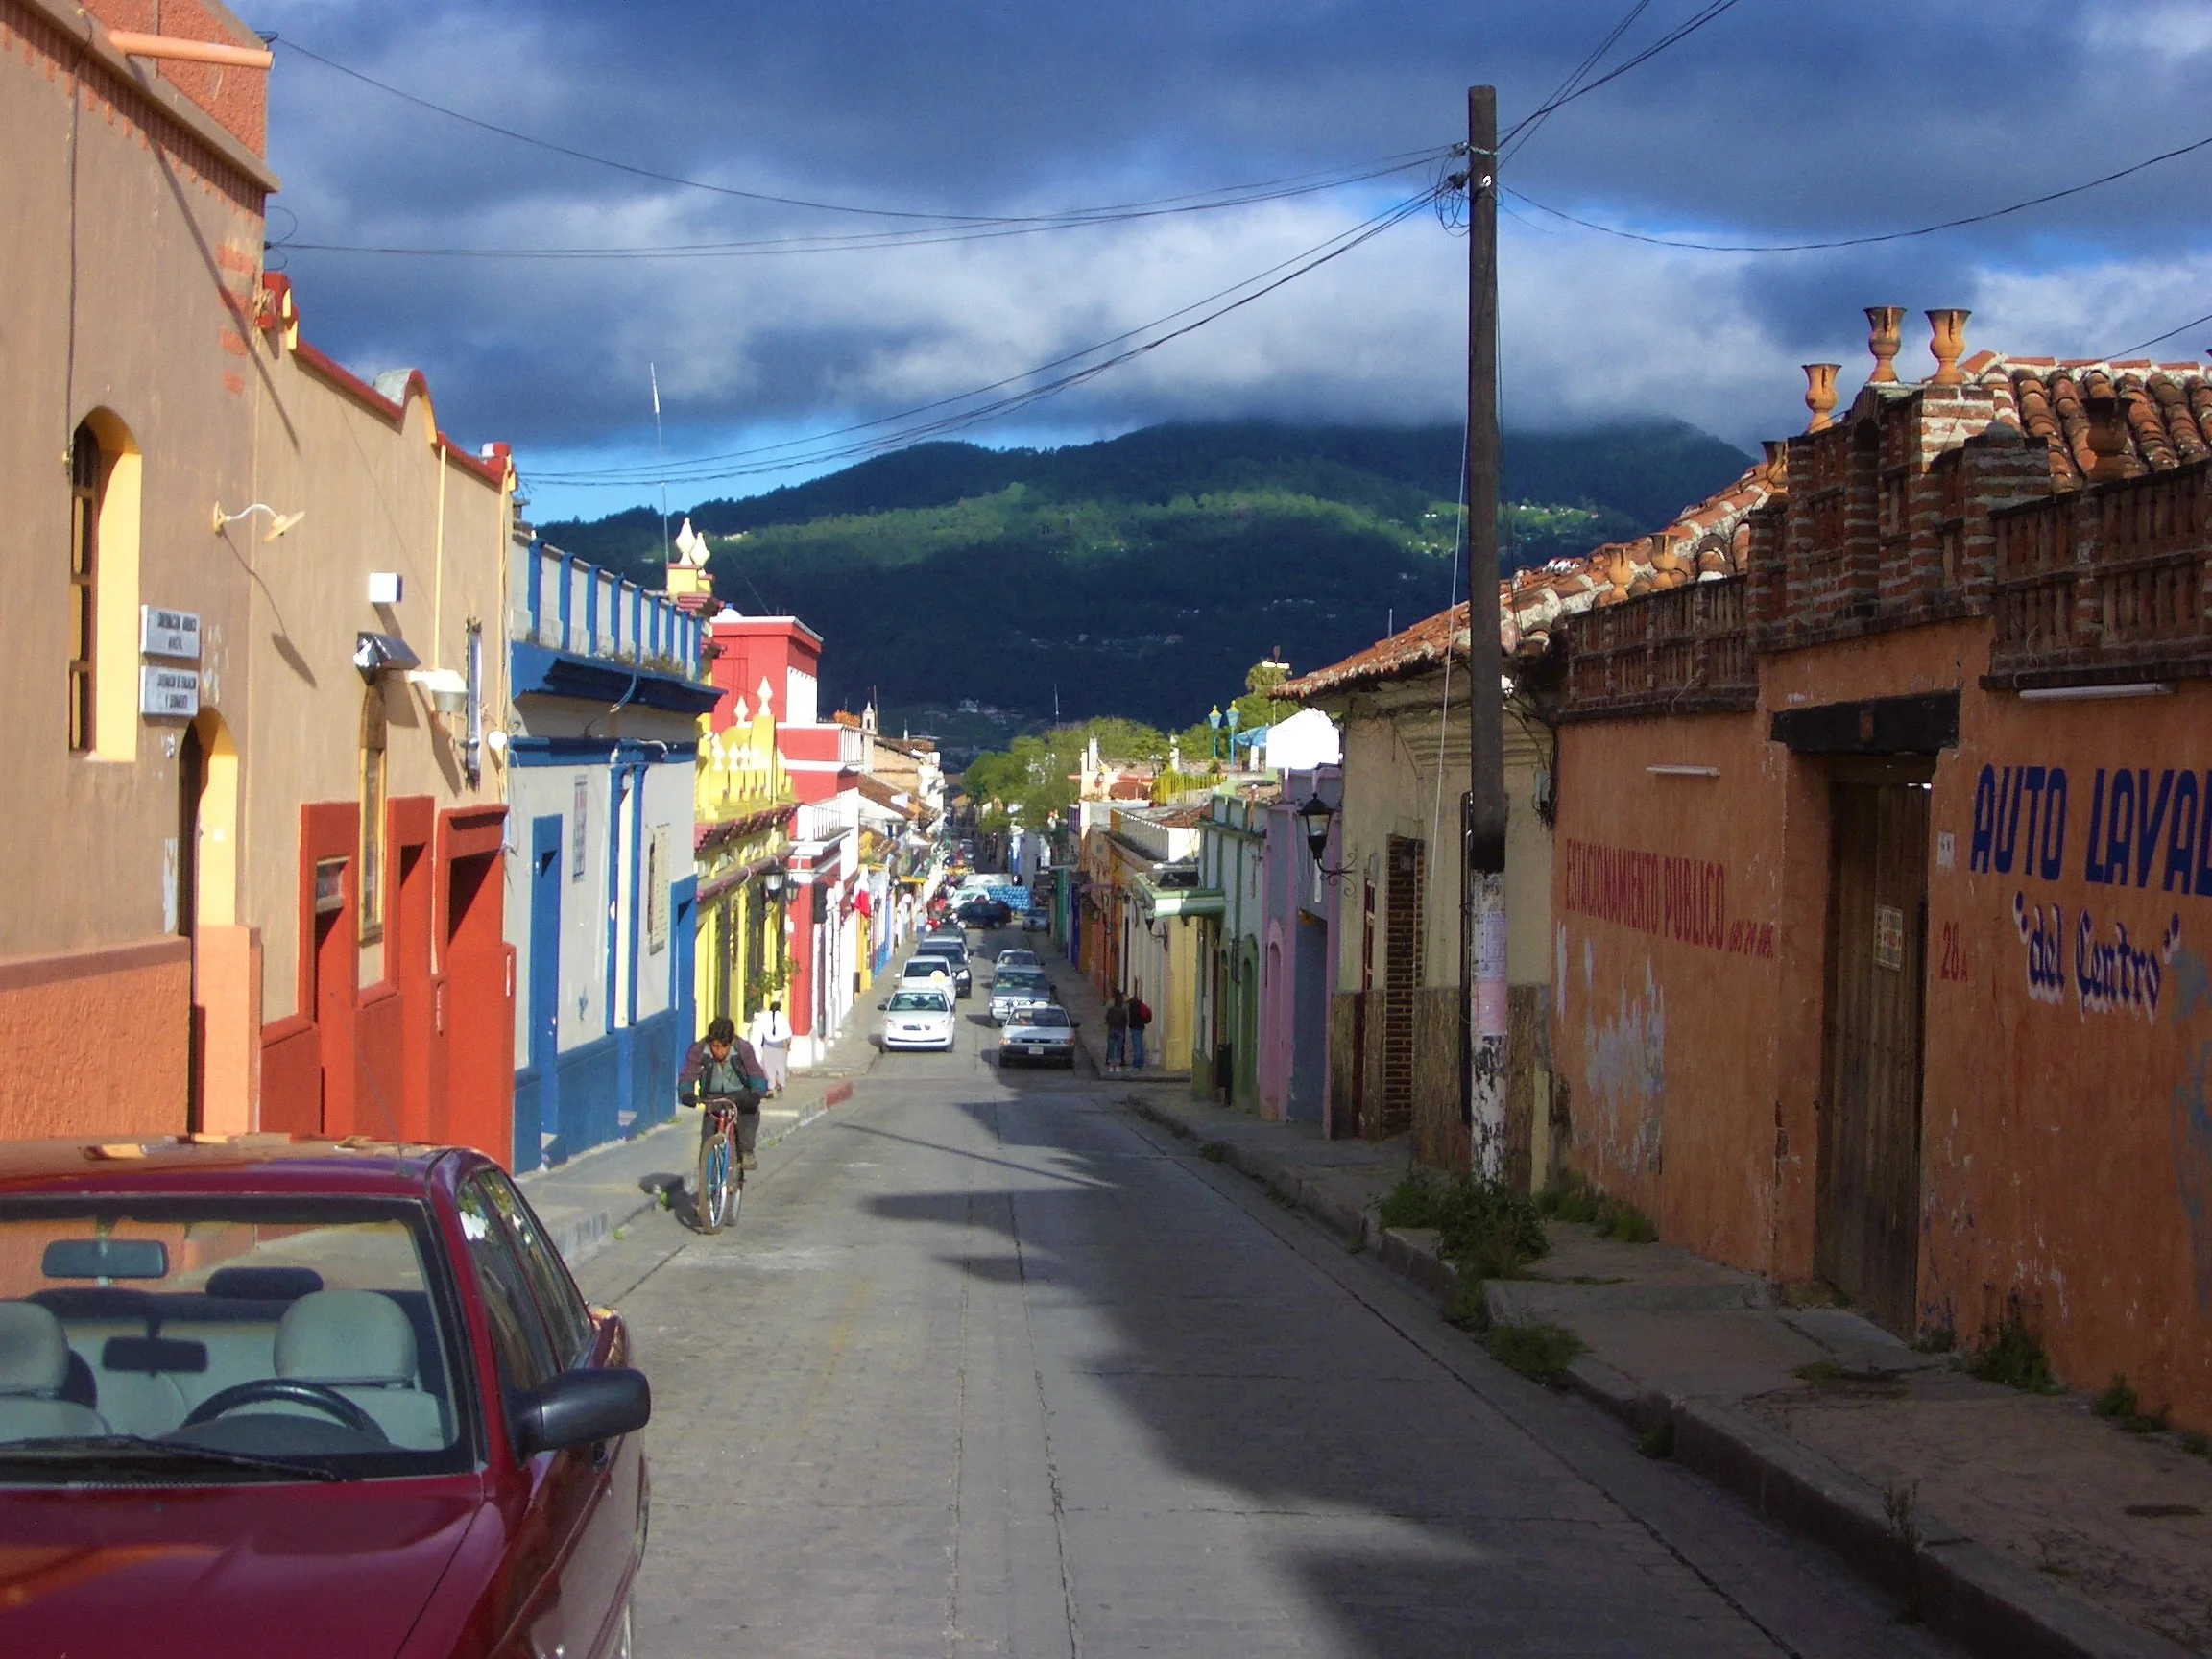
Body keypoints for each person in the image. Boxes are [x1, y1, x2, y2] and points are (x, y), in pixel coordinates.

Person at [679, 1017, 768, 1170]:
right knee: (708, 1134)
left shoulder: (743, 1049)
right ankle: (706, 1179)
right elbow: (688, 1074)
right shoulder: (699, 1050)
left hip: (739, 1094)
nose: (718, 1051)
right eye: (715, 1046)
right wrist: (686, 1093)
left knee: (748, 1115)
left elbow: (756, 1074)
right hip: (713, 1097)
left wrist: (756, 1093)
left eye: (723, 1047)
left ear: (731, 1042)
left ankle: (747, 1151)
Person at [749, 999, 792, 1095]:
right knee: (780, 1067)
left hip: (767, 1046)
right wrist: (788, 1047)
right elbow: (788, 1036)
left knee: (769, 1068)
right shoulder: (783, 1018)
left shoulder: (764, 1017)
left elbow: (759, 1033)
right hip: (780, 1047)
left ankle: (771, 1087)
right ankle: (780, 1082)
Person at [1128, 982, 1153, 1071]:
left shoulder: (1132, 1006)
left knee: (1136, 1046)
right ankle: (1140, 1063)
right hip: (1141, 1026)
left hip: (1135, 1027)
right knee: (1140, 1045)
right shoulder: (1140, 1005)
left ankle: (1136, 1065)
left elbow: (1131, 1018)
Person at [1104, 990, 1129, 1073]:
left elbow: (1107, 1018)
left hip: (1111, 1029)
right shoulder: (1123, 1011)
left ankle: (1111, 1066)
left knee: (1111, 1048)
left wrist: (1109, 1024)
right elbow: (1126, 1021)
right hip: (1120, 1030)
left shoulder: (1111, 1009)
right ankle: (1118, 1066)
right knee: (1119, 1048)